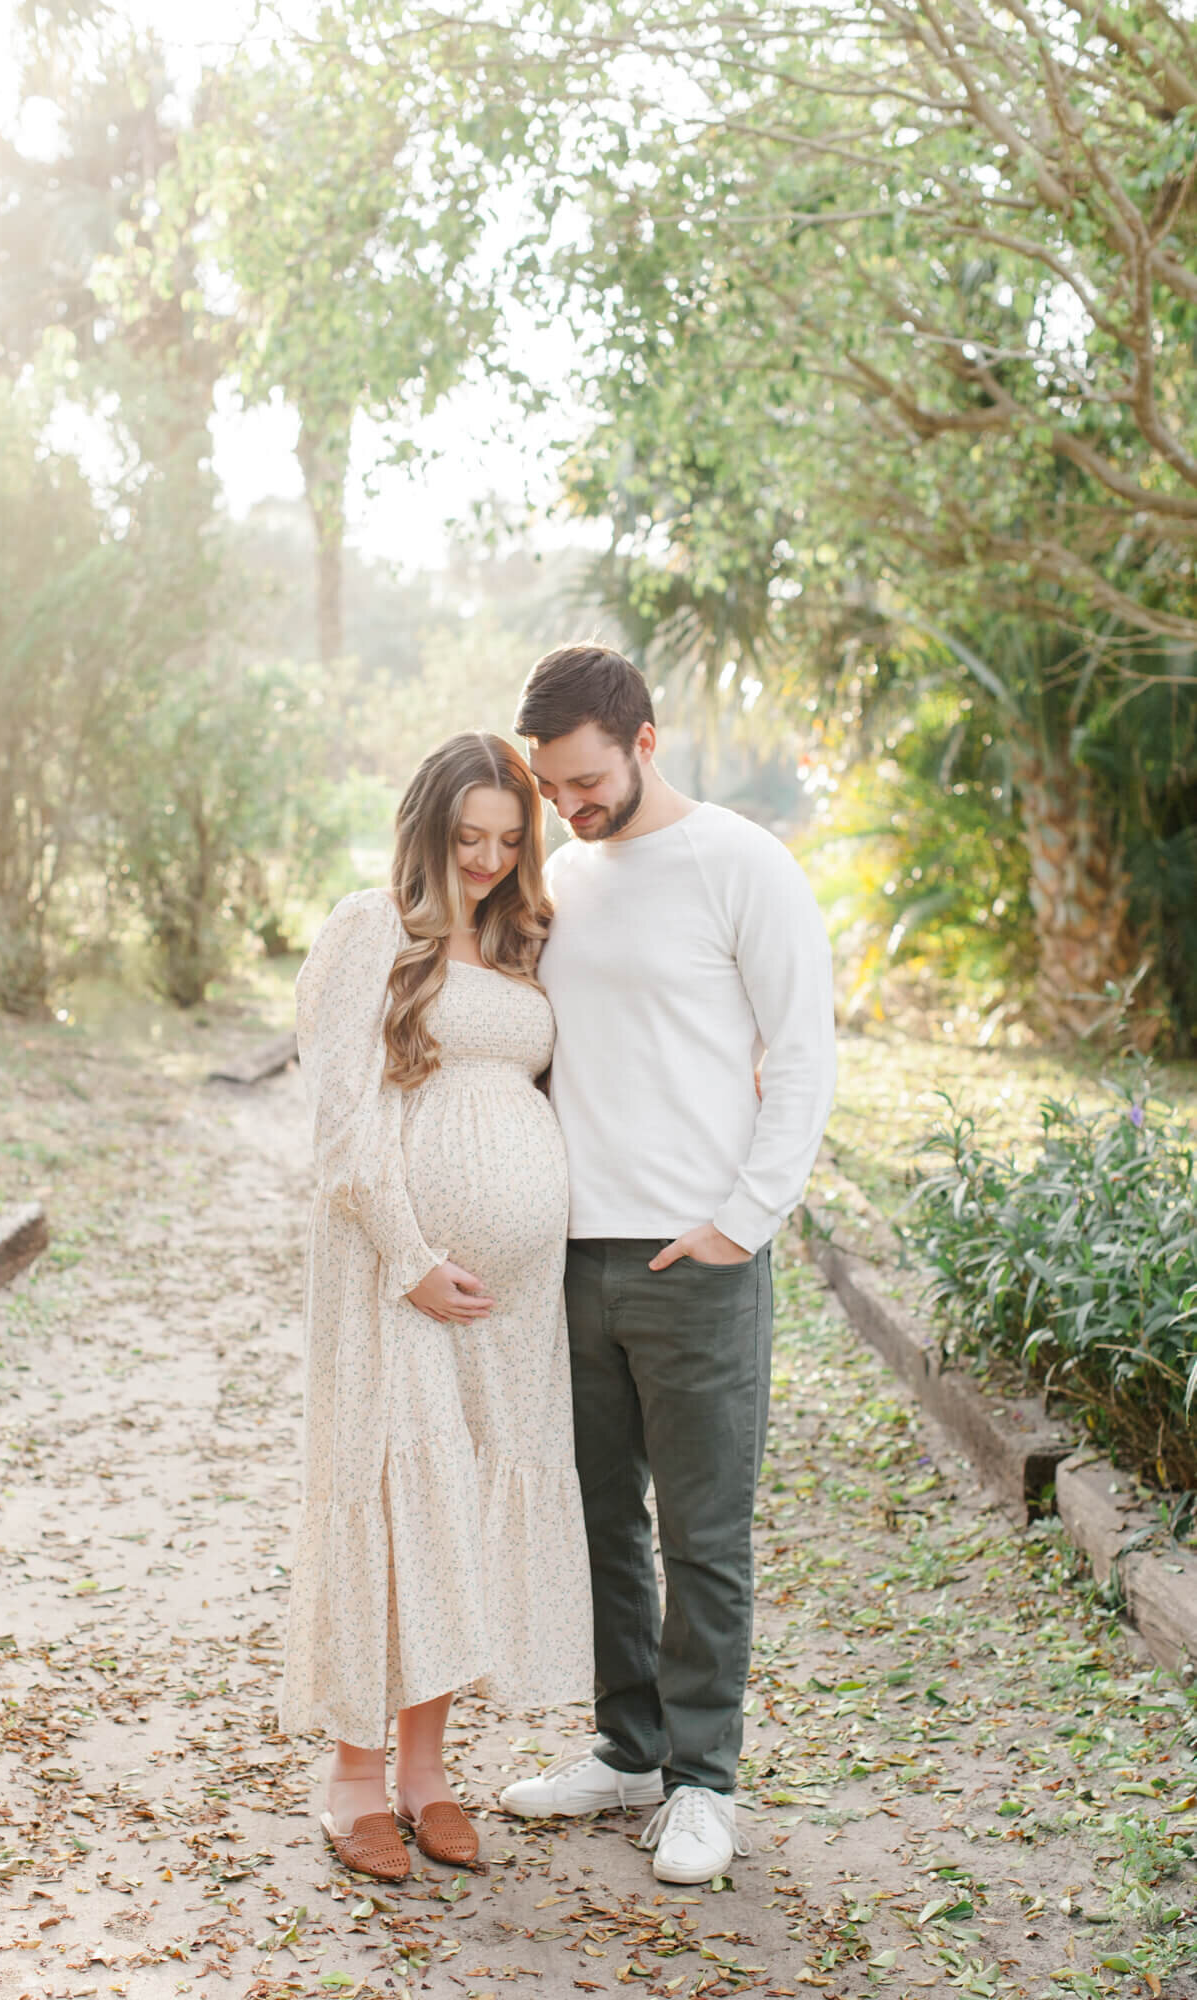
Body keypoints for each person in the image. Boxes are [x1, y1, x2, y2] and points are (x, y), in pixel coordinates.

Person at [498, 645, 836, 1886]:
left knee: (700, 1532)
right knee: (600, 1523)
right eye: (550, 787)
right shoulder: (560, 877)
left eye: (584, 779)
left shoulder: (743, 863)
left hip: (695, 1256)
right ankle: (627, 1745)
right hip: (570, 1255)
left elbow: (801, 1055)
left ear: (644, 739)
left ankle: (703, 1782)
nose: (568, 806)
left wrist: (741, 1221)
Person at [281, 731, 593, 1883]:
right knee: (393, 1496)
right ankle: (352, 1778)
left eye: (509, 840)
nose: (486, 858)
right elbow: (343, 1121)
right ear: (425, 827)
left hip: (513, 1299)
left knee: (458, 1509)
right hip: (395, 1275)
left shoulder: (525, 939)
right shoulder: (370, 928)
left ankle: (426, 1772)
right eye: (466, 837)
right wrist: (412, 1252)